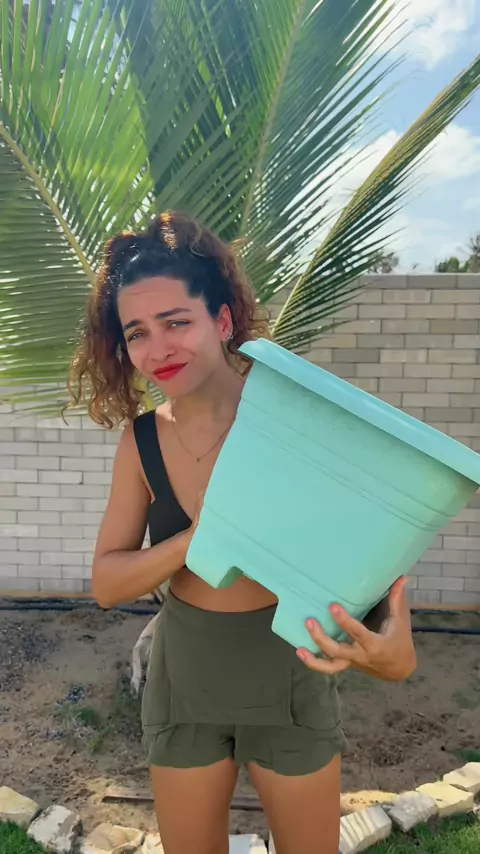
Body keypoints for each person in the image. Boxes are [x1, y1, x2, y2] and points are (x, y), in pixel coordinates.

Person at [68, 211, 416, 854]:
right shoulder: (142, 442)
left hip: (288, 676)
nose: (157, 349)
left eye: (177, 322)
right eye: (137, 332)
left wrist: (386, 646)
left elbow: (393, 639)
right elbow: (108, 583)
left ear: (223, 321)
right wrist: (194, 540)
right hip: (185, 681)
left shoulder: (297, 428)